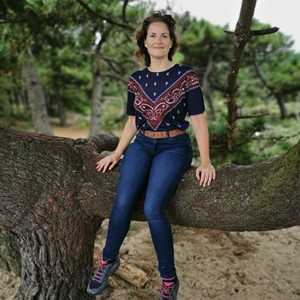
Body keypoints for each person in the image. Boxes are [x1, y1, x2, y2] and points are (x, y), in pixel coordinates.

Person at [86, 11, 216, 300]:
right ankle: (108, 260)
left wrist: (205, 161)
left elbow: (198, 120)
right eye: (152, 35)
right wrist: (118, 153)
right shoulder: (136, 80)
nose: (158, 40)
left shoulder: (186, 77)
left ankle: (169, 279)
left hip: (174, 147)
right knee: (121, 202)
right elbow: (133, 121)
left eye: (164, 35)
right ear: (144, 42)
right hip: (142, 145)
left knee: (154, 208)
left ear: (172, 43)